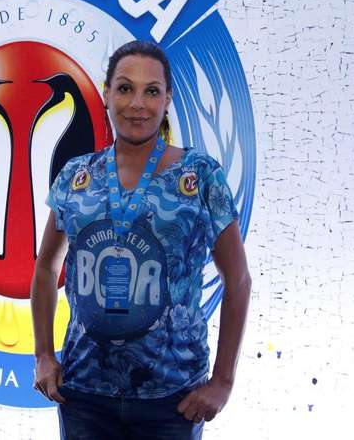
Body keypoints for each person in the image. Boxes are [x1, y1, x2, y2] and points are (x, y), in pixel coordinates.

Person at [31, 40, 251, 439]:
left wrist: (222, 381)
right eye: (125, 88)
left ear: (167, 99)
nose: (137, 103)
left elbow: (237, 279)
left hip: (173, 398)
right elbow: (46, 267)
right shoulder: (76, 175)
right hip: (84, 394)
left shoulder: (200, 175)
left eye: (151, 91)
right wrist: (44, 355)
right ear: (106, 95)